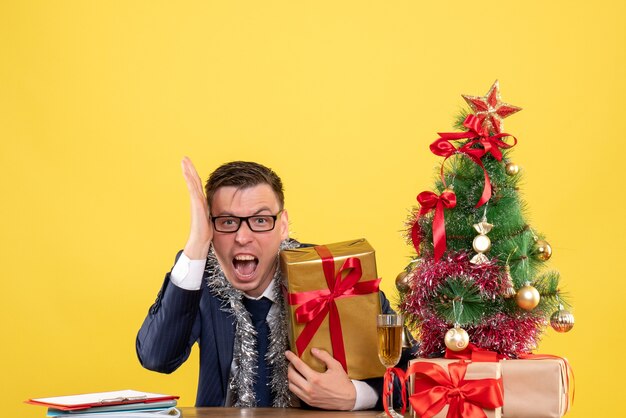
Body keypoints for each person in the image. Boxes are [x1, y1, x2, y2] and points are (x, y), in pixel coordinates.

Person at [136, 158, 400, 410]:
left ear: (283, 225)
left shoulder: (334, 276)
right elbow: (157, 357)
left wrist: (355, 396)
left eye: (260, 220)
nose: (242, 237)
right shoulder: (200, 276)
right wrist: (196, 243)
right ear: (210, 228)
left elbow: (410, 371)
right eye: (227, 222)